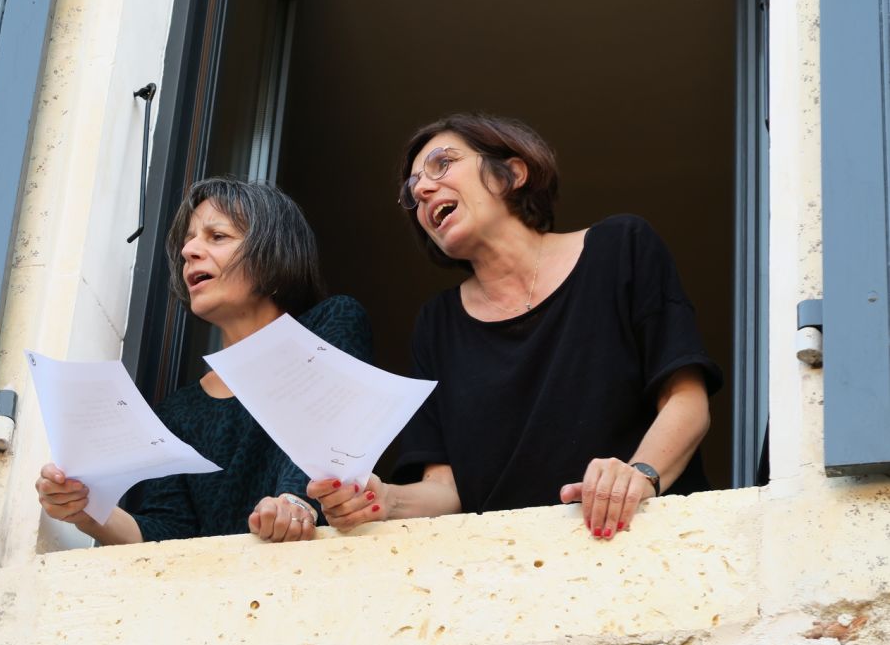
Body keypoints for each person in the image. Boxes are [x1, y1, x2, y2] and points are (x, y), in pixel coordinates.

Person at [309, 113, 721, 541]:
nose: (422, 190)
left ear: (512, 174)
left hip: (644, 544)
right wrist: (380, 499)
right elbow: (447, 490)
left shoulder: (621, 248)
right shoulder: (436, 324)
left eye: (442, 163)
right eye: (412, 191)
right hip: (508, 564)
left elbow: (686, 400)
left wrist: (638, 474)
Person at [36, 176, 371, 544]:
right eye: (189, 240)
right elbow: (169, 534)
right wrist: (87, 508)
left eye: (217, 236)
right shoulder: (178, 412)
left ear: (272, 254)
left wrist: (295, 502)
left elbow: (328, 434)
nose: (189, 250)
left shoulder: (330, 325)